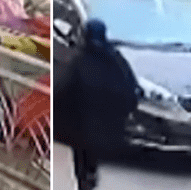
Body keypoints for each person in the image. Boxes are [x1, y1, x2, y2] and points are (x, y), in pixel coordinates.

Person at [54, 19, 140, 190]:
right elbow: (131, 88)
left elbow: (62, 91)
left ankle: (84, 180)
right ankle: (90, 177)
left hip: (81, 127)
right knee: (92, 157)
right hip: (107, 126)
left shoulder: (80, 61)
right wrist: (126, 112)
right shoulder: (115, 60)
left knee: (82, 156)